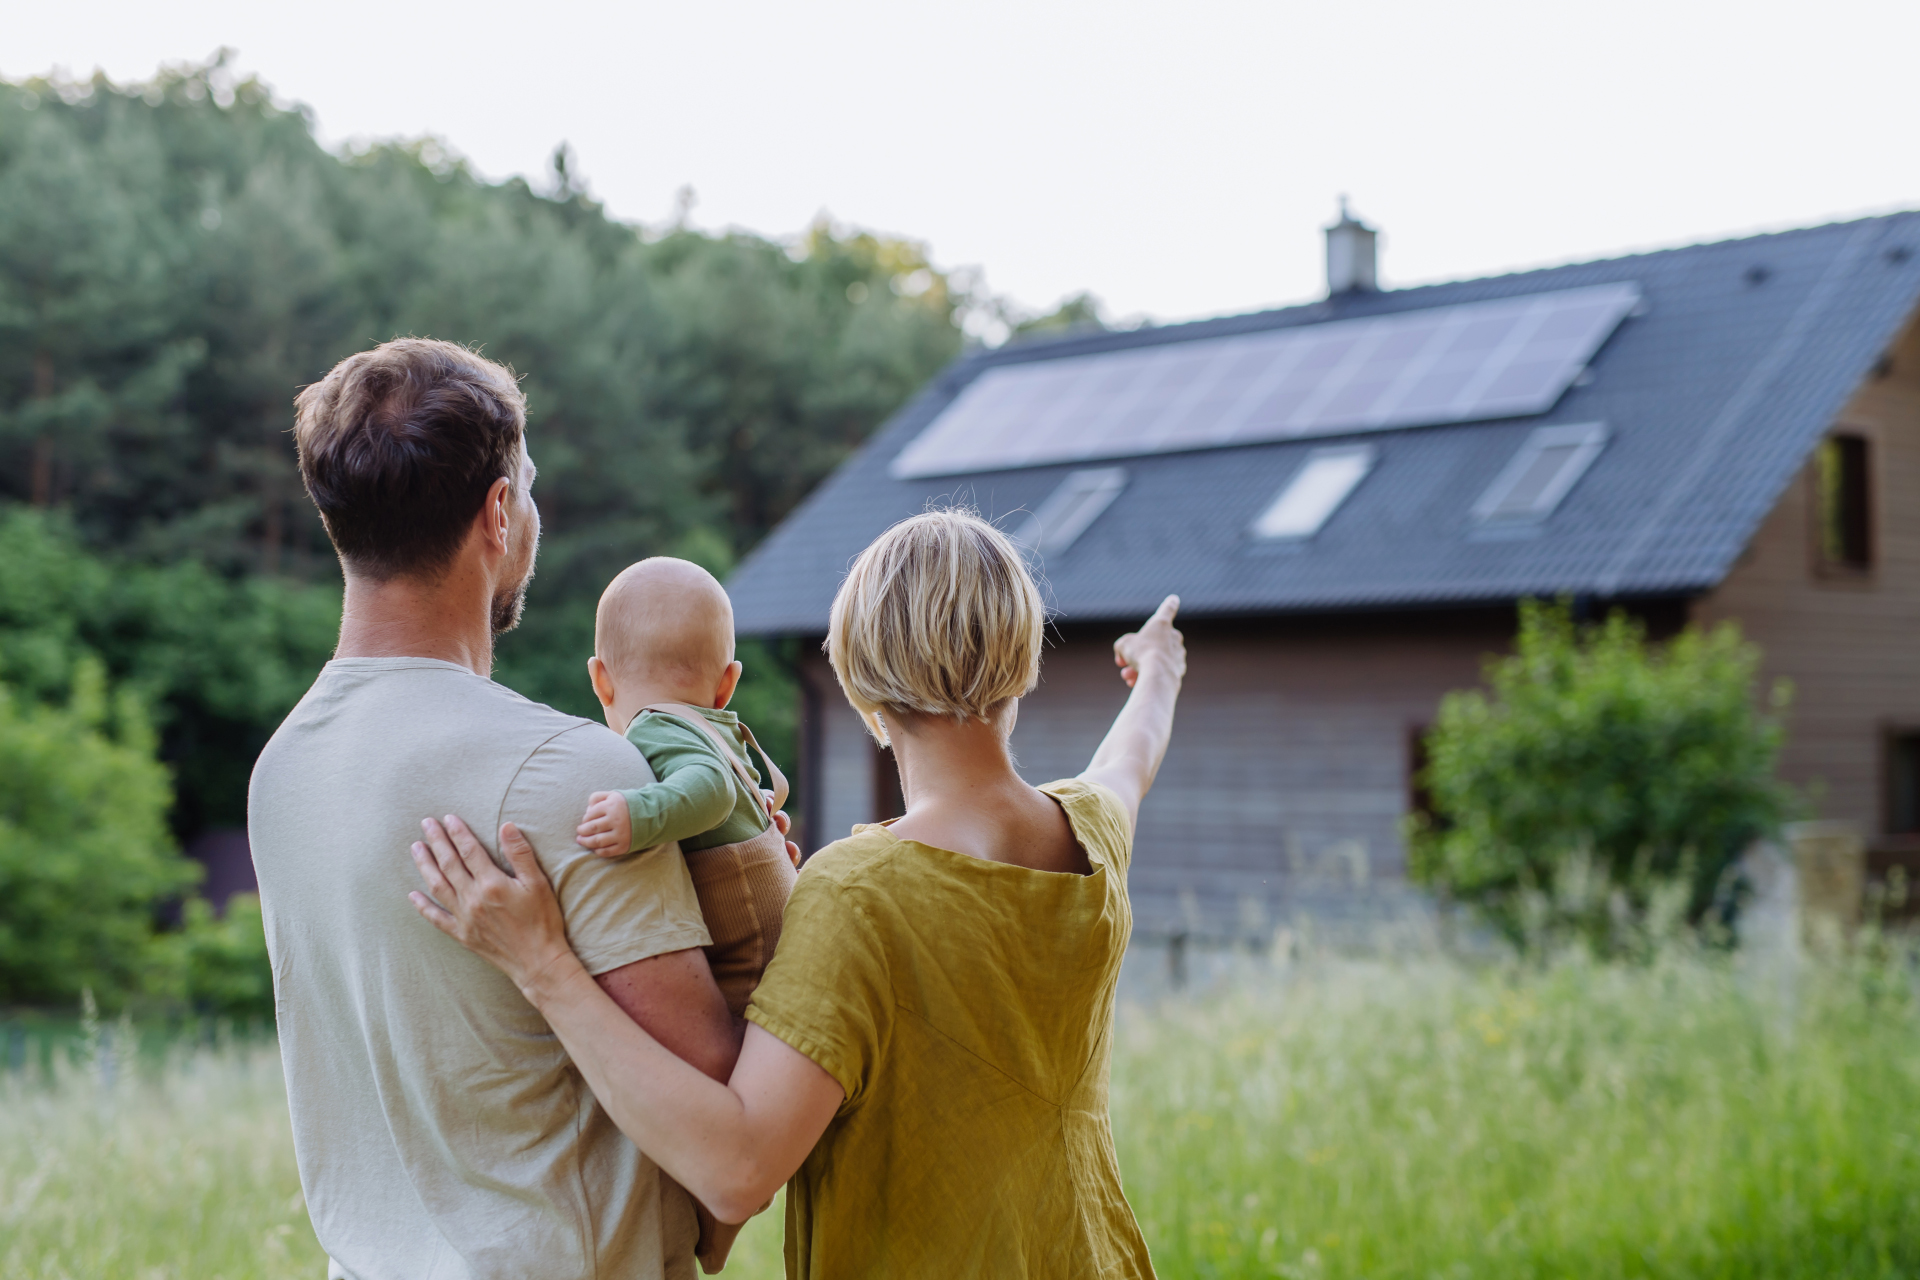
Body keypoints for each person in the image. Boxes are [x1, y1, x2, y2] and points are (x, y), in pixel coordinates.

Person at [409, 508, 1186, 1278]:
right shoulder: (1090, 830)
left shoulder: (858, 894)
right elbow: (1131, 756)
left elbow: (736, 1169)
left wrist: (545, 968)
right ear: (1023, 656)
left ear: (860, 678)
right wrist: (1159, 670)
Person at [249, 338, 773, 1280]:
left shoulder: (282, 770)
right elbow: (730, 1140)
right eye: (527, 491)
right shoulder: (569, 771)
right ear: (499, 514)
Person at [574, 556, 800, 1020]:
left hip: (750, 959)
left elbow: (712, 790)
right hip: (787, 943)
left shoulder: (653, 727)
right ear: (727, 685)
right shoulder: (711, 729)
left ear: (600, 680)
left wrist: (636, 815)